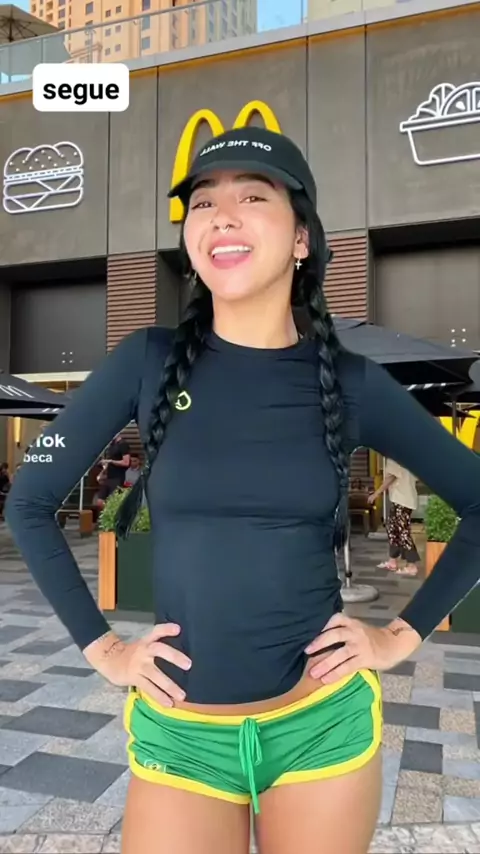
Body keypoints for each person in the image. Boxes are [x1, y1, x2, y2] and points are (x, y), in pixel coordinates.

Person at [5, 127, 480, 854]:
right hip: (181, 736)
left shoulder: (350, 383)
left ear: (301, 238)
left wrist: (397, 636)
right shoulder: (146, 362)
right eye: (203, 203)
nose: (221, 216)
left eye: (253, 197)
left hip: (320, 726)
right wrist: (104, 650)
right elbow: (30, 502)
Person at [368, 459, 420, 576]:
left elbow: (391, 477)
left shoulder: (394, 458)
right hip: (401, 499)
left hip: (402, 500)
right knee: (393, 530)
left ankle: (411, 566)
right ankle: (392, 561)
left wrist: (376, 493)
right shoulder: (407, 457)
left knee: (403, 532)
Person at [95, 433, 131, 509]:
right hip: (108, 477)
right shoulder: (111, 446)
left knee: (113, 502)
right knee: (99, 502)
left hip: (117, 478)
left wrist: (111, 461)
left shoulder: (123, 444)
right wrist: (103, 470)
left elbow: (126, 462)